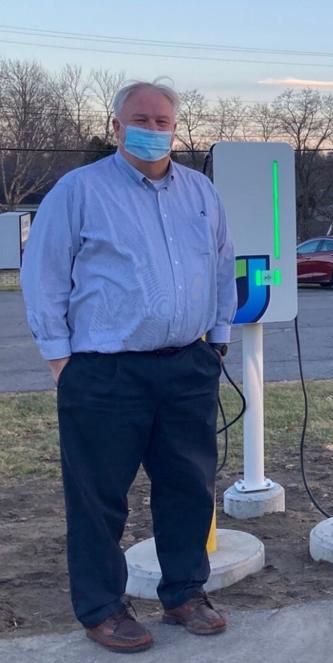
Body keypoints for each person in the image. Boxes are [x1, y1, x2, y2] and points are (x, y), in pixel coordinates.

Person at [21, 79, 235, 654]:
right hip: (104, 373)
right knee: (98, 497)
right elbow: (42, 275)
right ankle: (102, 608)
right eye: (141, 119)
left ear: (176, 128)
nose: (153, 129)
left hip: (187, 366)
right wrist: (62, 359)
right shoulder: (79, 191)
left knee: (189, 487)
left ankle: (185, 593)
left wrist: (216, 341)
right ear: (117, 127)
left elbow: (220, 265)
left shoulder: (199, 193)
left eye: (163, 121)